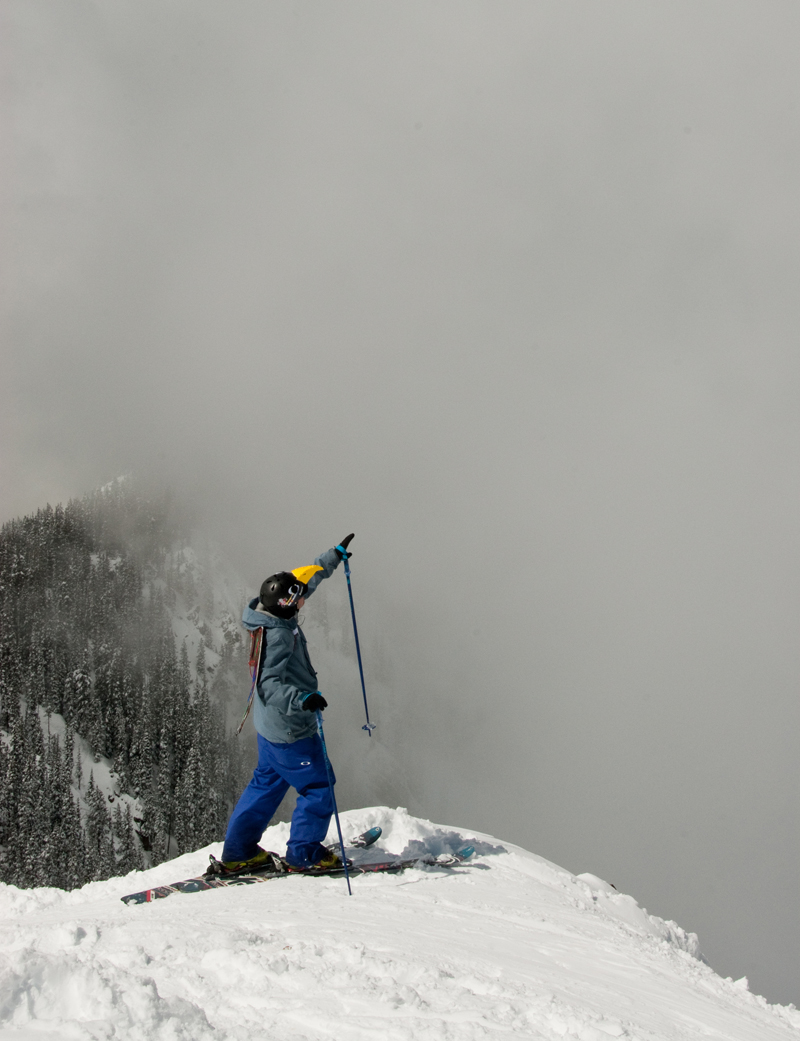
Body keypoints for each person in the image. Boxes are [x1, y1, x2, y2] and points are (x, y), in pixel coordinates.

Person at [219, 534, 354, 873]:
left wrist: (331, 558)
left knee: (265, 784)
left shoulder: (271, 612)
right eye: (297, 600)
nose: (303, 601)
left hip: (269, 729)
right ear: (285, 605)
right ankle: (303, 854)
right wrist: (303, 699)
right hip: (291, 729)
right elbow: (268, 684)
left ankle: (238, 852)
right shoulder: (277, 635)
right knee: (319, 786)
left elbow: (304, 579)